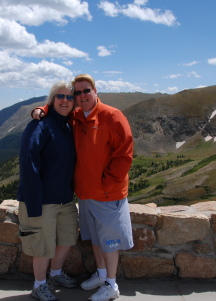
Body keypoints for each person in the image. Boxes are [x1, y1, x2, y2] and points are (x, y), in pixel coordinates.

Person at [32, 74, 134, 301]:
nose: (81, 96)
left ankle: (111, 284)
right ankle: (101, 274)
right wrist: (41, 109)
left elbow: (124, 154)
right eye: (77, 93)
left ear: (95, 91)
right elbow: (56, 106)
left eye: (86, 90)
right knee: (96, 239)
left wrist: (107, 183)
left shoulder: (112, 116)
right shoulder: (77, 116)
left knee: (109, 241)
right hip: (86, 194)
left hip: (107, 193)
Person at [18, 81, 79, 301]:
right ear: (52, 100)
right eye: (60, 97)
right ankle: (39, 285)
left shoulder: (68, 125)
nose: (65, 100)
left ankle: (55, 274)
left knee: (68, 238)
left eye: (70, 97)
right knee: (42, 247)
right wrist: (34, 202)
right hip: (41, 200)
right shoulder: (39, 125)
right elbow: (29, 163)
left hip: (65, 199)